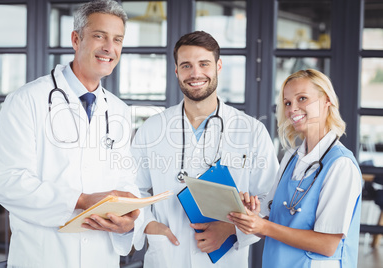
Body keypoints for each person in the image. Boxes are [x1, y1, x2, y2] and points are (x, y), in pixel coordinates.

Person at [0, 1, 143, 267]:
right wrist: (81, 201)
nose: (110, 47)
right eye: (100, 36)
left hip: (100, 257)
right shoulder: (27, 100)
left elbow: (126, 181)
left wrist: (129, 220)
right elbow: (10, 183)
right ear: (76, 39)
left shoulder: (118, 110)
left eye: (117, 39)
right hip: (44, 256)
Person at [131, 31, 279, 267]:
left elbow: (271, 200)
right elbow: (131, 190)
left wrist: (232, 229)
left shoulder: (251, 130)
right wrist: (149, 225)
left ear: (218, 66)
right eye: (186, 65)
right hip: (168, 256)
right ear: (176, 71)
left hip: (225, 259)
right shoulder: (152, 128)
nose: (195, 73)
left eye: (204, 64)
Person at [228, 69, 362, 268]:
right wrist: (251, 217)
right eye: (288, 103)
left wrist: (263, 226)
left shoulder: (340, 165)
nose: (292, 109)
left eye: (302, 99)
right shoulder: (291, 159)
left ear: (327, 101)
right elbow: (268, 224)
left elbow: (327, 244)